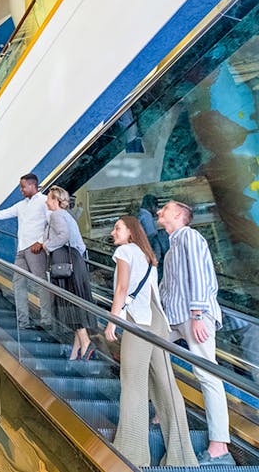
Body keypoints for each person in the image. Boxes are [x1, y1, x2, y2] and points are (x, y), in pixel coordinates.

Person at [104, 216, 198, 467]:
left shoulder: (125, 251)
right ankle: (182, 457)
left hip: (139, 320)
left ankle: (131, 453)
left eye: (118, 228)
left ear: (131, 232)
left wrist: (113, 320)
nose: (114, 232)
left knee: (133, 383)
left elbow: (122, 288)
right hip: (157, 320)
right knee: (166, 384)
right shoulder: (147, 255)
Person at [157, 200, 234, 466]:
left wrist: (199, 315)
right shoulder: (171, 248)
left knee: (206, 374)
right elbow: (166, 289)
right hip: (176, 319)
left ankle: (219, 446)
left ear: (178, 215)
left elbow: (201, 276)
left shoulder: (189, 237)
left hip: (194, 317)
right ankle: (163, 413)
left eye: (164, 209)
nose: (159, 212)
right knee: (150, 351)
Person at [0, 173, 51, 329]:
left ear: (33, 185)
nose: (21, 190)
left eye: (23, 186)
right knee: (18, 283)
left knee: (42, 284)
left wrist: (40, 241)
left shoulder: (45, 201)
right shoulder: (21, 205)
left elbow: (51, 223)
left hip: (36, 249)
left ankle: (46, 320)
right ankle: (23, 322)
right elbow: (1, 214)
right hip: (21, 250)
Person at [43, 186, 95, 360]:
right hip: (75, 262)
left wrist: (47, 245)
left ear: (56, 201)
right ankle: (75, 353)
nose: (46, 201)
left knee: (70, 304)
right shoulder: (68, 216)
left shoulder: (56, 215)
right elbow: (80, 244)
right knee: (75, 303)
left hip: (65, 263)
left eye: (49, 198)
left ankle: (86, 342)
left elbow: (63, 236)